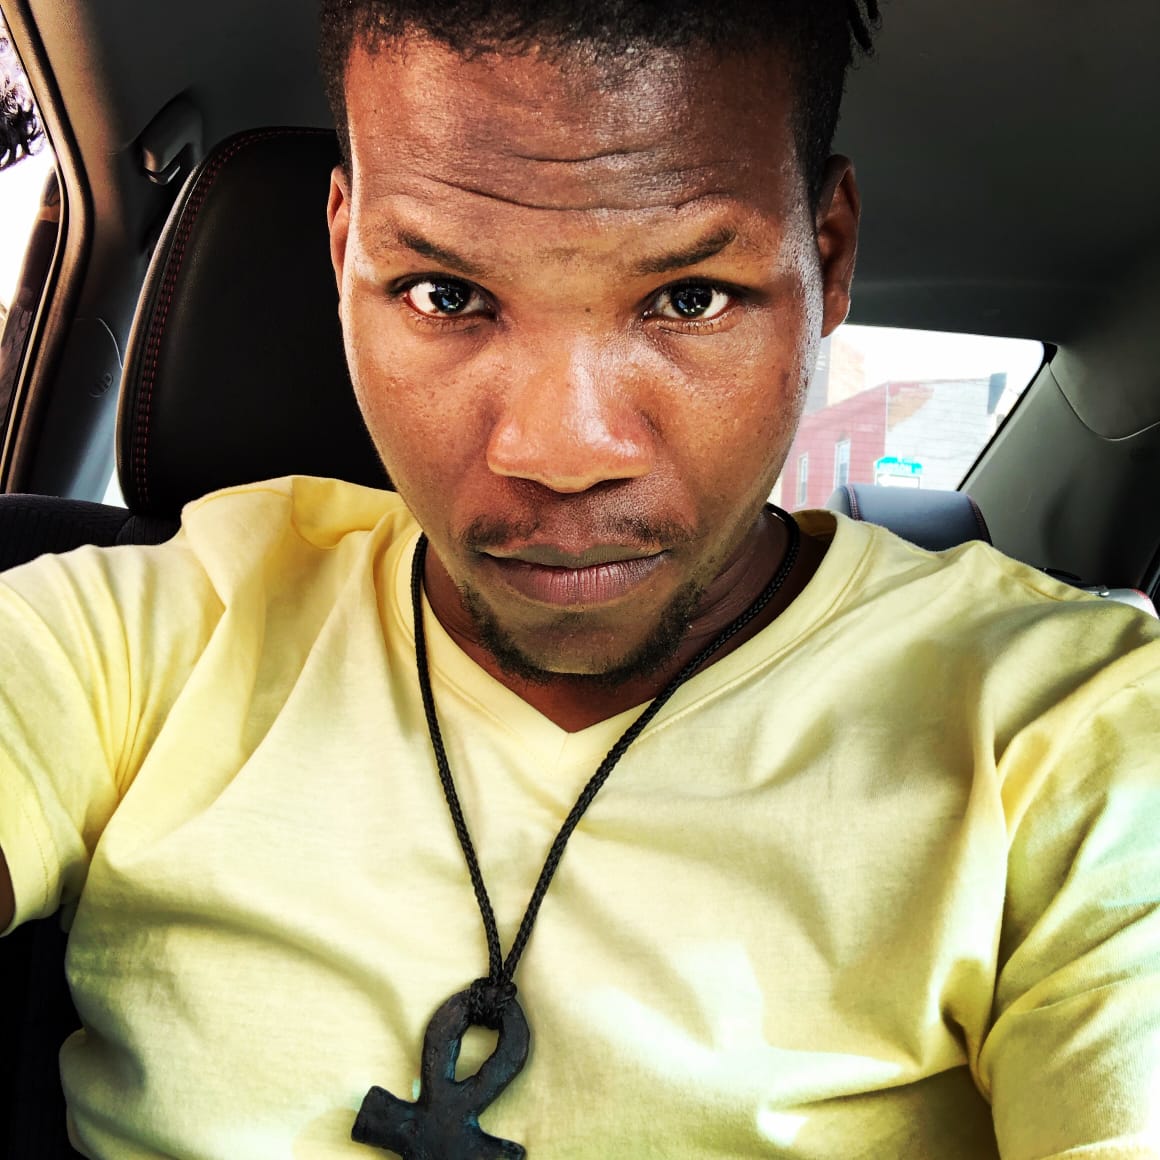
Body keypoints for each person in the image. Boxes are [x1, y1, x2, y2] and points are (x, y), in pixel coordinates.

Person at [2, 1, 1160, 1156]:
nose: (560, 453)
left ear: (828, 255)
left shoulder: (1073, 733)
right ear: (344, 251)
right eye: (444, 293)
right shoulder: (150, 626)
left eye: (688, 297)